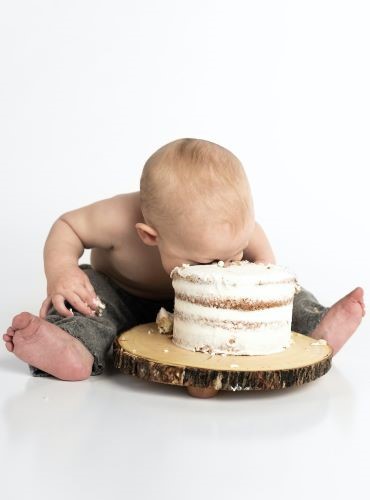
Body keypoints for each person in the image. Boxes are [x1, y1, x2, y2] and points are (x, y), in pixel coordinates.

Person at [3, 138, 365, 396]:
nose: (225, 264)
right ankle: (71, 347)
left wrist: (260, 286)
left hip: (207, 311)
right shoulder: (117, 218)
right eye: (207, 261)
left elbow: (264, 264)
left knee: (286, 291)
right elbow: (67, 227)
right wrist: (62, 271)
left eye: (236, 249)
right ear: (149, 236)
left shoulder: (232, 231)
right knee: (88, 300)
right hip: (123, 295)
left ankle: (315, 324)